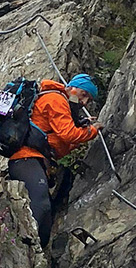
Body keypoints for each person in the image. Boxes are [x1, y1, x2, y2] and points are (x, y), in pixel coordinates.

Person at [8, 73, 102, 247]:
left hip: (29, 160)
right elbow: (68, 134)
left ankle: (36, 253)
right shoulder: (56, 99)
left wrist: (81, 127)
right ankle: (29, 248)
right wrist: (92, 131)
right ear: (72, 88)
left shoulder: (56, 99)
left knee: (45, 210)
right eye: (83, 95)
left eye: (88, 100)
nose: (84, 102)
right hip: (27, 158)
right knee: (41, 206)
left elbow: (58, 145)